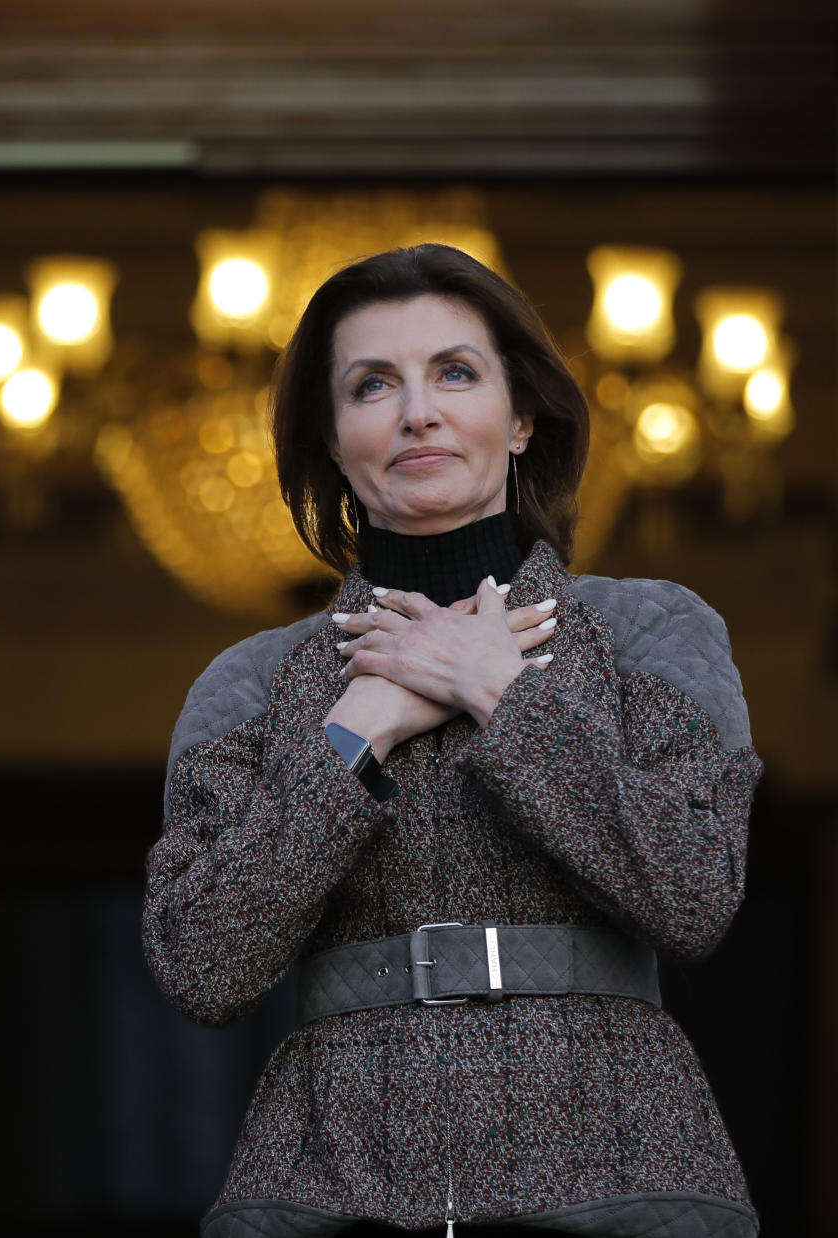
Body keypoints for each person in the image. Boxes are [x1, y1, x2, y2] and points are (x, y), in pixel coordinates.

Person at [143, 244, 763, 1238]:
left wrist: (496, 688)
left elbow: (694, 894)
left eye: (455, 372)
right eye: (372, 384)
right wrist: (360, 724)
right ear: (332, 437)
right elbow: (201, 964)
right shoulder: (256, 683)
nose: (415, 411)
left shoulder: (651, 630)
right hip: (330, 1190)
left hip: (624, 1177)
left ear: (522, 418)